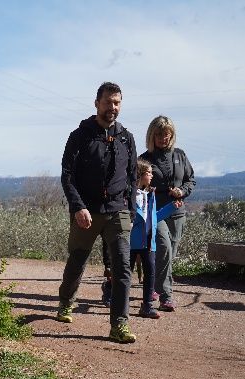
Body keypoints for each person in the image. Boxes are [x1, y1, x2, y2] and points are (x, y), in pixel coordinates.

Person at [55, 81, 138, 344]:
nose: (112, 107)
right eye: (108, 102)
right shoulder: (80, 135)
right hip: (86, 212)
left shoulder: (127, 137)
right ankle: (66, 302)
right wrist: (78, 206)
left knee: (123, 267)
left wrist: (131, 211)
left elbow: (133, 177)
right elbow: (67, 176)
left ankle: (119, 325)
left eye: (117, 103)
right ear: (96, 103)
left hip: (118, 211)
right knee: (78, 260)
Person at [139, 116, 195, 312]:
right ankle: (166, 296)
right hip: (155, 212)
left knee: (169, 256)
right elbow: (137, 185)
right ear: (151, 136)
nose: (163, 138)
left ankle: (154, 284)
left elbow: (190, 181)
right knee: (163, 248)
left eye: (167, 135)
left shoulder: (180, 156)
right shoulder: (144, 159)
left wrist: (182, 191)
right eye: (159, 135)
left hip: (178, 212)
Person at [131, 158, 183, 319]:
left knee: (150, 274)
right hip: (131, 242)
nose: (152, 176)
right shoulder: (130, 194)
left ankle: (147, 306)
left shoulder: (150, 194)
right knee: (125, 274)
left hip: (148, 241)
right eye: (149, 173)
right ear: (139, 174)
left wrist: (171, 208)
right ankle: (114, 296)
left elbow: (153, 218)